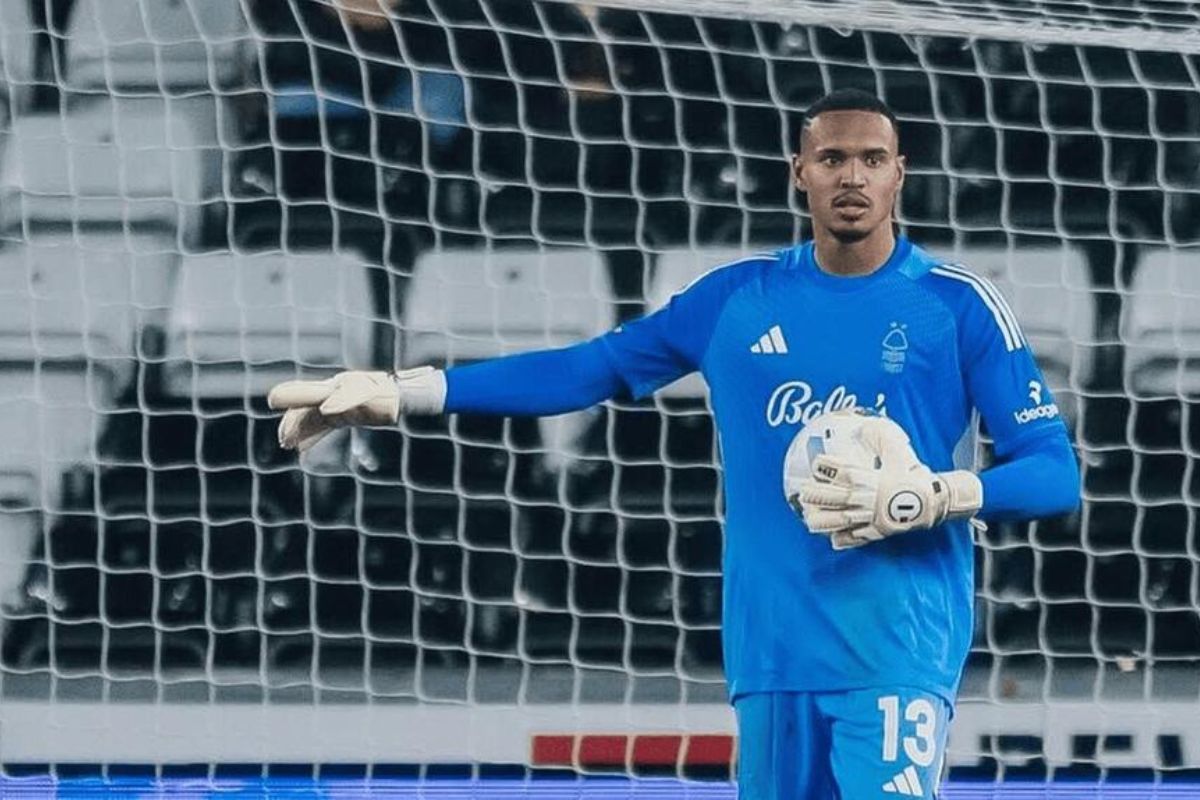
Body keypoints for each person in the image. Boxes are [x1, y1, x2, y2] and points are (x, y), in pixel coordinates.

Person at [266, 89, 1080, 798]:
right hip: (770, 651)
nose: (852, 177)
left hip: (897, 646)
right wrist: (406, 392)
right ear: (800, 172)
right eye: (832, 158)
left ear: (901, 172)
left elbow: (1053, 474)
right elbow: (591, 368)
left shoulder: (957, 306)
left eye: (872, 159)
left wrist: (940, 492)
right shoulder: (736, 299)